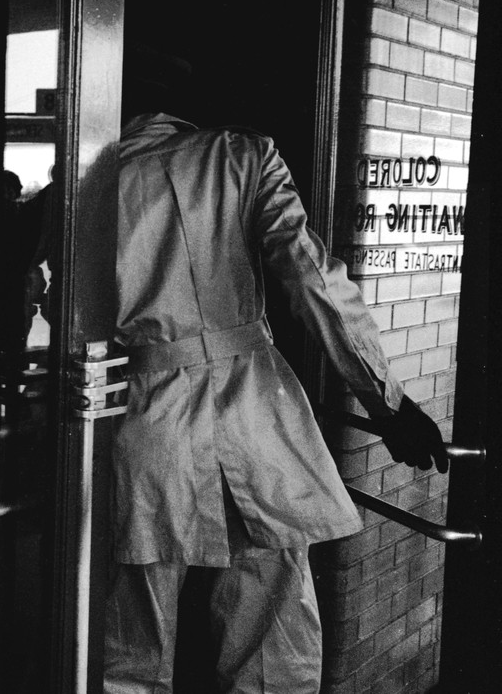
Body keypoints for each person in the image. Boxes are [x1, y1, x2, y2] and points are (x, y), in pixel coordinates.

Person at [104, 48, 450, 694]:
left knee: (131, 652)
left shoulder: (88, 183)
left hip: (146, 426)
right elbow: (313, 280)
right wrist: (386, 401)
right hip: (255, 422)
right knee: (271, 650)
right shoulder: (243, 156)